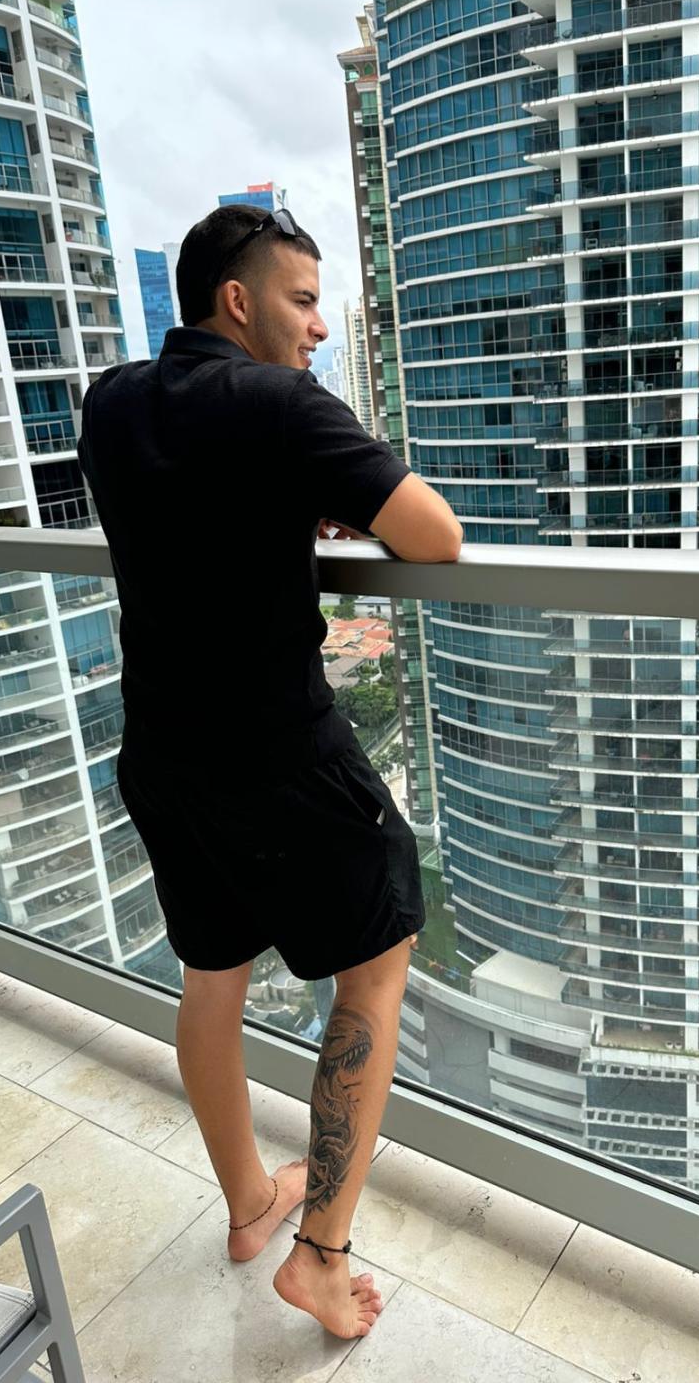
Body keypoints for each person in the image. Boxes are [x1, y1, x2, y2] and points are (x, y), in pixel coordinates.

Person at [77, 204, 462, 1339]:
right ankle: (321, 1255)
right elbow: (433, 535)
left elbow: (197, 511)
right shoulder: (283, 407)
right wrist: (322, 492)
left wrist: (296, 501)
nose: (317, 329)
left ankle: (252, 1206)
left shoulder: (111, 400)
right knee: (376, 967)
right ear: (237, 301)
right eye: (302, 302)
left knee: (213, 977)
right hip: (281, 755)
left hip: (164, 752)